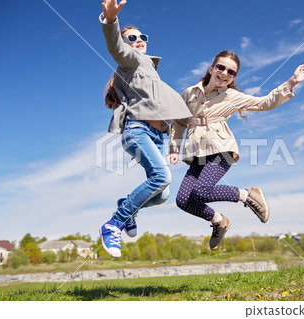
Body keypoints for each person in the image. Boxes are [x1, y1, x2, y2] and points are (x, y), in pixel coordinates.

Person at [168, 51, 304, 250]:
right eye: (221, 67)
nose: (225, 73)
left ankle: (249, 195)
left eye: (231, 72)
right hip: (197, 152)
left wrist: (291, 83)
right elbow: (180, 123)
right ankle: (219, 221)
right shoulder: (189, 93)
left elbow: (264, 102)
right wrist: (174, 147)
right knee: (183, 200)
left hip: (221, 148)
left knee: (201, 190)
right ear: (211, 69)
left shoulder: (231, 96)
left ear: (233, 77)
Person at [99, 0, 192, 258]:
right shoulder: (131, 60)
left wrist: (173, 145)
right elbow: (116, 48)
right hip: (137, 130)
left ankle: (127, 205)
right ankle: (113, 224)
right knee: (162, 177)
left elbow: (166, 115)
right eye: (132, 38)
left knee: (162, 195)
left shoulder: (148, 69)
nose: (139, 40)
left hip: (155, 135)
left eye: (142, 37)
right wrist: (110, 22)